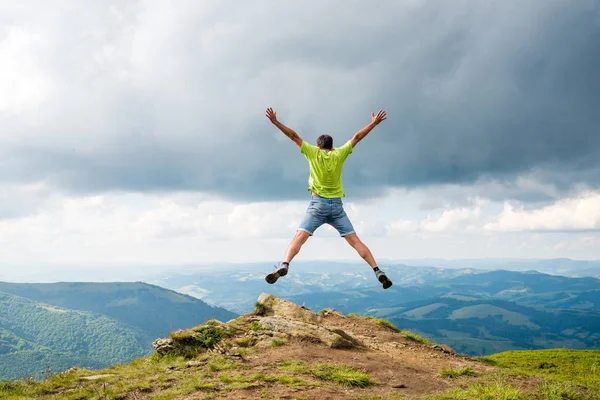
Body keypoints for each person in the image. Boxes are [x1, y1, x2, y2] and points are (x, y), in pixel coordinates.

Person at [264, 107, 393, 289]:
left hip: (317, 205)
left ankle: (284, 264)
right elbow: (357, 137)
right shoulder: (339, 154)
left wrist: (276, 122)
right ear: (332, 147)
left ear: (318, 146)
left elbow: (293, 136)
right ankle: (377, 270)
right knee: (356, 241)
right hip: (337, 207)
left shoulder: (313, 153)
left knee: (299, 237)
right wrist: (373, 123)